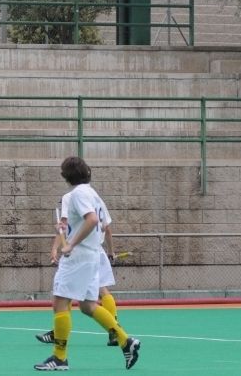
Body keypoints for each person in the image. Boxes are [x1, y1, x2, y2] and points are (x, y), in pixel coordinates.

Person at [34, 156, 140, 371]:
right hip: (92, 255)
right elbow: (96, 223)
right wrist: (65, 232)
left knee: (60, 303)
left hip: (79, 257)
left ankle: (59, 357)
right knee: (88, 306)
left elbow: (91, 220)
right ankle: (124, 340)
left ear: (65, 176)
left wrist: (70, 244)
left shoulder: (78, 193)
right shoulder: (92, 193)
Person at [36, 190, 124, 346]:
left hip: (79, 253)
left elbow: (63, 226)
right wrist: (110, 252)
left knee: (64, 294)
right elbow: (107, 229)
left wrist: (56, 247)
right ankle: (117, 333)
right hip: (97, 251)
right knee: (98, 293)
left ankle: (60, 341)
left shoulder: (70, 197)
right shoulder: (96, 197)